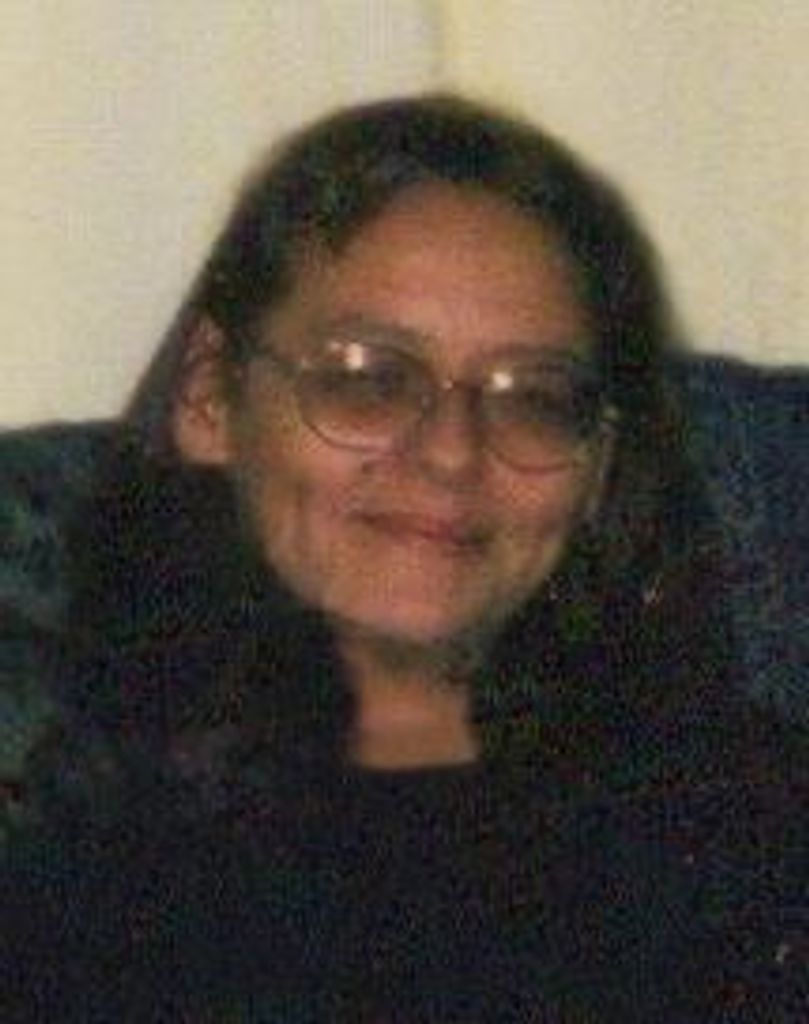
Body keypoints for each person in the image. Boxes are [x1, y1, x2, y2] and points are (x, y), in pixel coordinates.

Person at [2, 94, 805, 1020]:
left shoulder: (745, 831)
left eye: (533, 398)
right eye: (368, 379)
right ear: (210, 398)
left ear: (600, 464)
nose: (452, 452)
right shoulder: (69, 861)